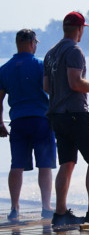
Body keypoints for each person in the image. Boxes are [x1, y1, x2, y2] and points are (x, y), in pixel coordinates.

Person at [42, 11, 89, 227]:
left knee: (67, 163)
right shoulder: (74, 50)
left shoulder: (50, 53)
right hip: (75, 114)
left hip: (56, 115)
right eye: (83, 28)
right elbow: (76, 83)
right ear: (79, 29)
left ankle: (60, 213)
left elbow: (47, 87)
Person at [0, 29, 55, 221]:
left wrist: (0, 122)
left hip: (18, 122)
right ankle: (46, 207)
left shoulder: (5, 68)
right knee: (45, 165)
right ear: (32, 43)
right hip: (41, 120)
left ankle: (15, 208)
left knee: (17, 165)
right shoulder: (41, 65)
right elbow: (52, 91)